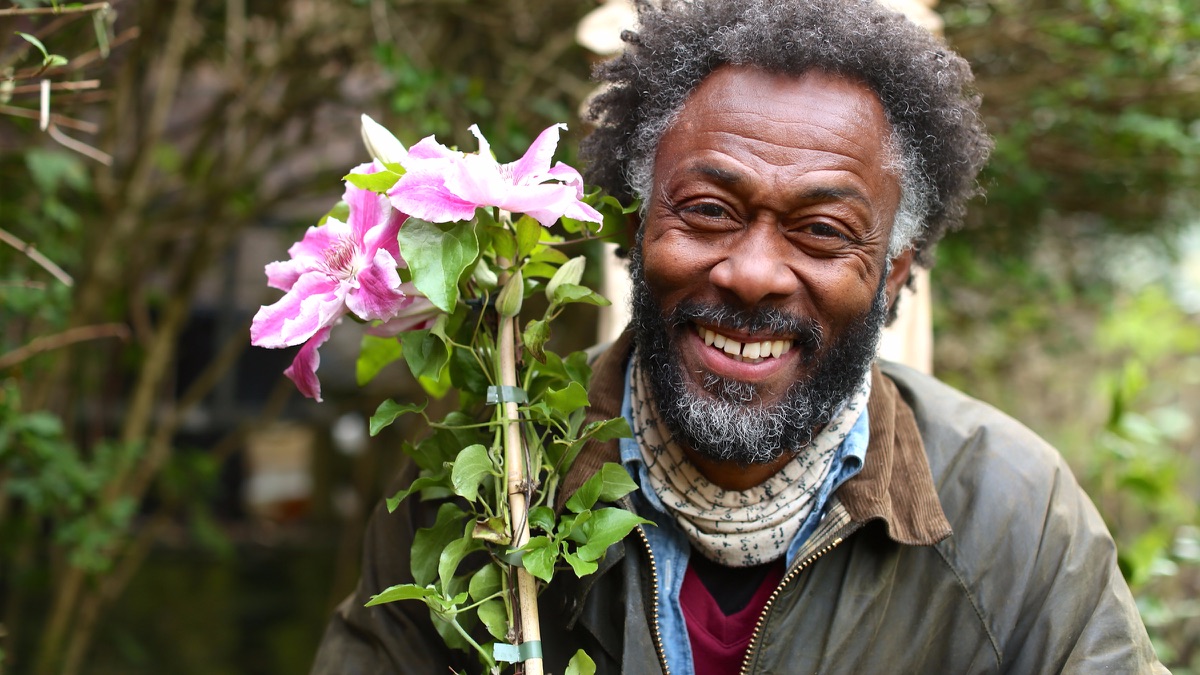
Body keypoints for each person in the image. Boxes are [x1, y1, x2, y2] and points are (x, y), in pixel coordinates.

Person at [312, 1, 1165, 672]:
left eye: (823, 229)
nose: (753, 272)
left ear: (896, 270)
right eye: (709, 210)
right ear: (636, 227)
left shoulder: (1016, 516)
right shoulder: (489, 476)